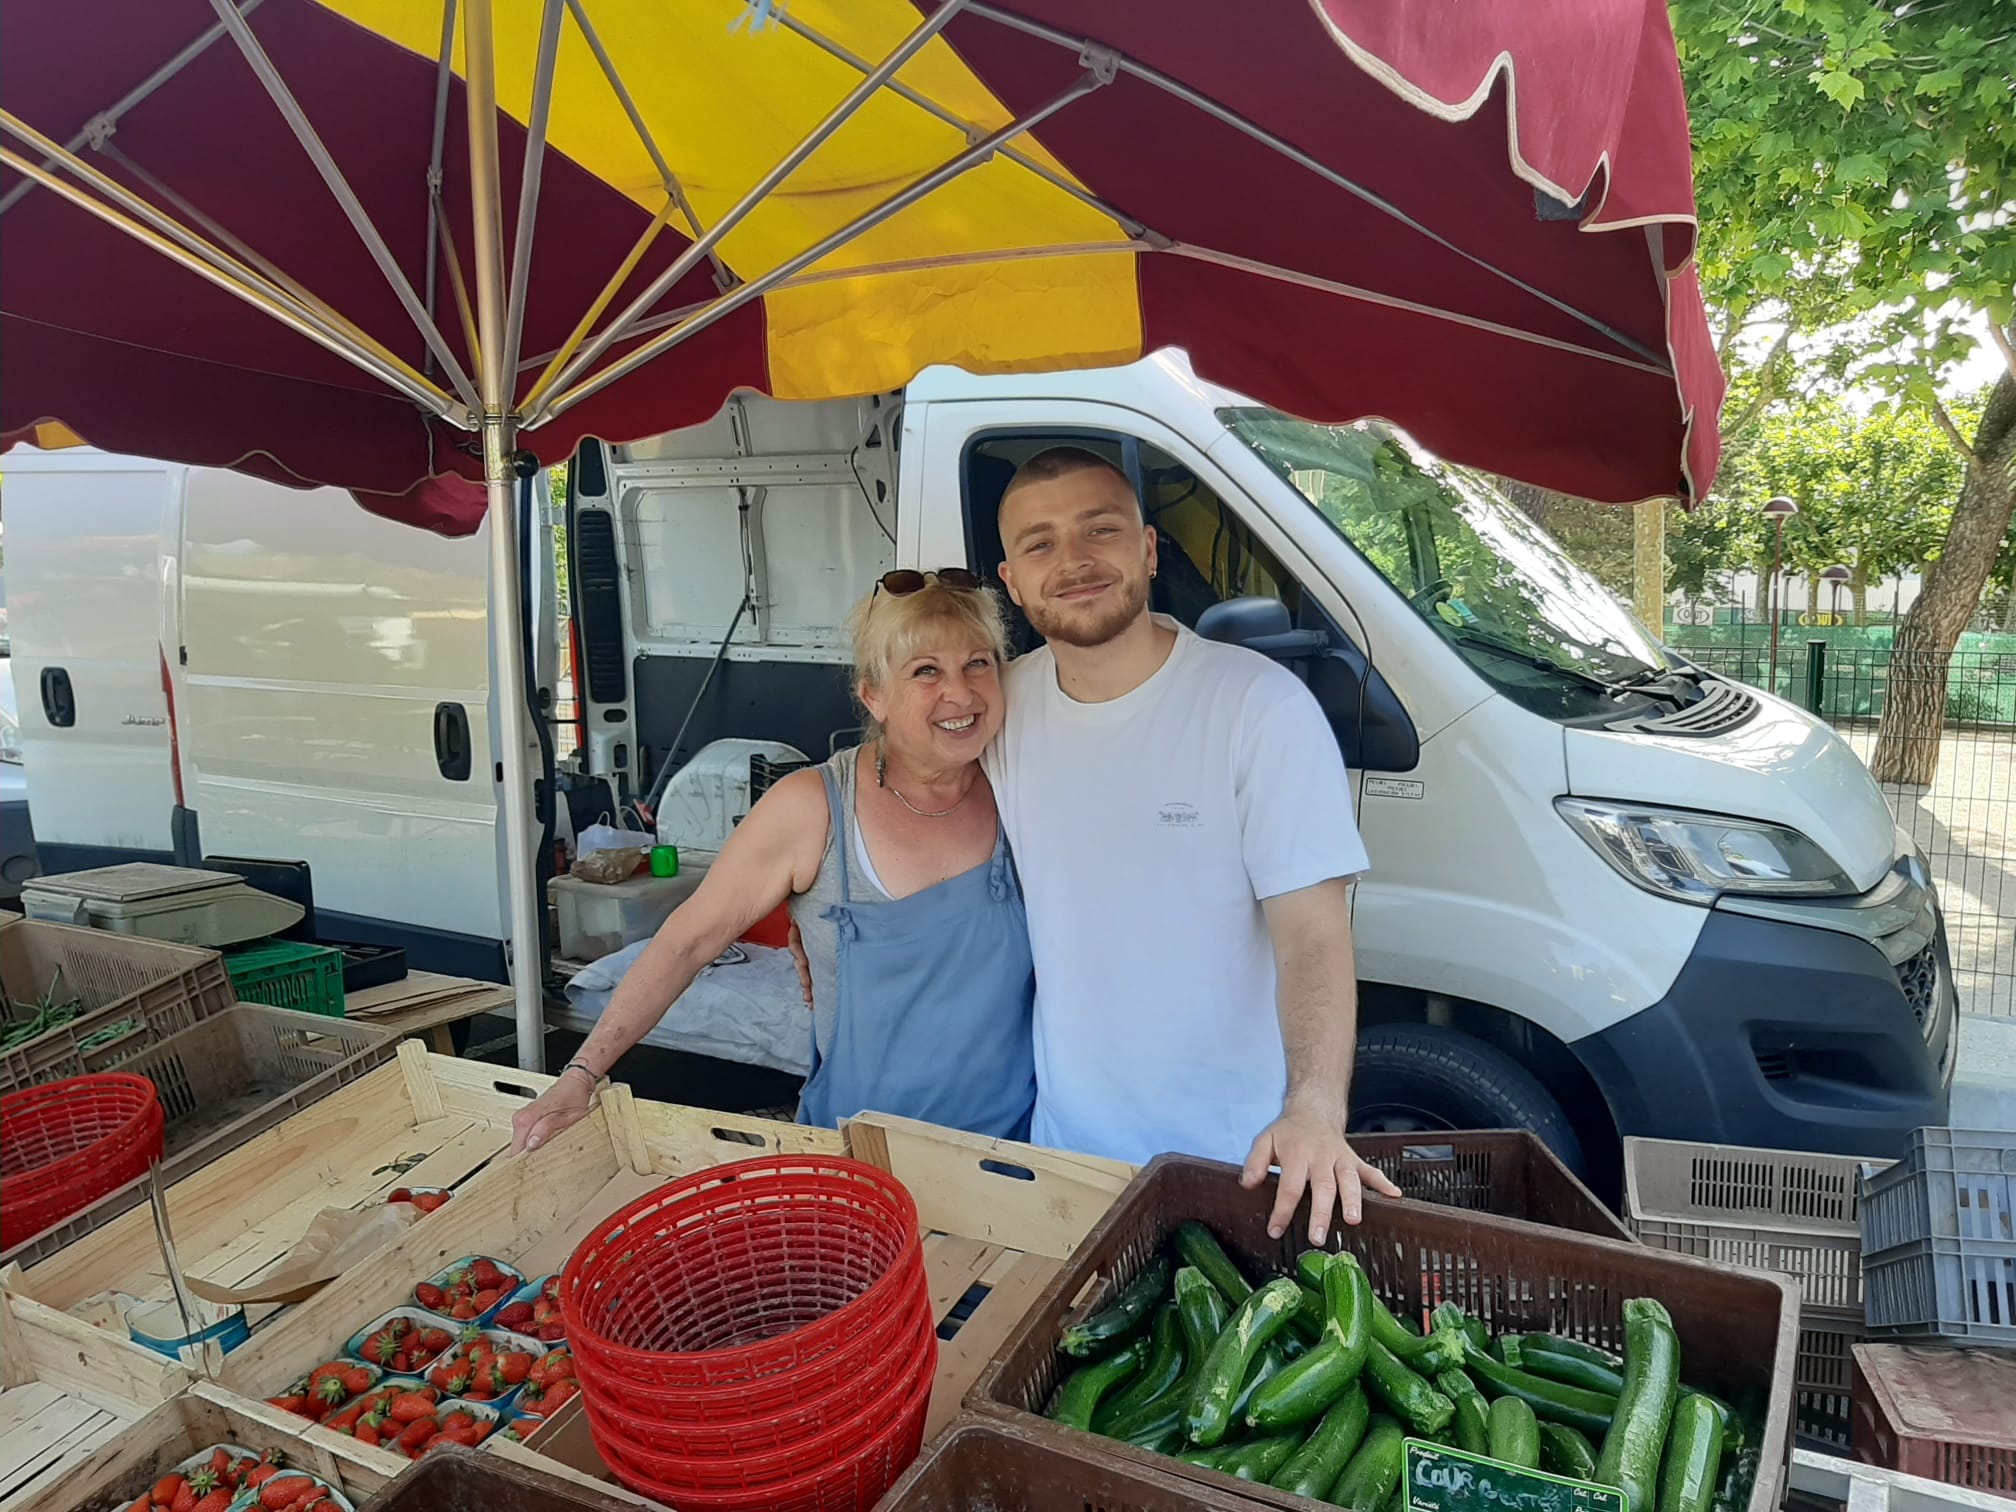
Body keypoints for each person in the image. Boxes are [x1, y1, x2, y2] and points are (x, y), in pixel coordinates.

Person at [988, 446, 1399, 1245]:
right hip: (1067, 1167)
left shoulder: (1257, 707)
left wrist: (1314, 1109)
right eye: (1039, 544)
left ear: (1147, 549)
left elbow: (1314, 934)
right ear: (1011, 582)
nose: (1071, 561)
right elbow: (899, 789)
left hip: (1236, 1168)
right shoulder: (1003, 707)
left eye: (1098, 530)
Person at [508, 572, 1036, 1155]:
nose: (960, 694)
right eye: (925, 671)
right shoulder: (815, 807)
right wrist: (579, 1077)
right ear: (874, 695)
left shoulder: (1019, 784)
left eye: (979, 663)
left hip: (1019, 1152)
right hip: (866, 1158)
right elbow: (687, 941)